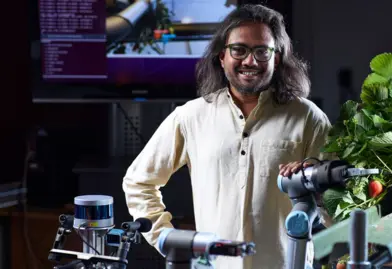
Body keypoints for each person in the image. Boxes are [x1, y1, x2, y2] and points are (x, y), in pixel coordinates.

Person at [122, 4, 333, 269]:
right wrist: (165, 238)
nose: (250, 61)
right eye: (239, 49)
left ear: (276, 58)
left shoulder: (308, 118)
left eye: (261, 51)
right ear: (222, 56)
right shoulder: (191, 116)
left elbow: (340, 202)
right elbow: (138, 182)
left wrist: (316, 187)